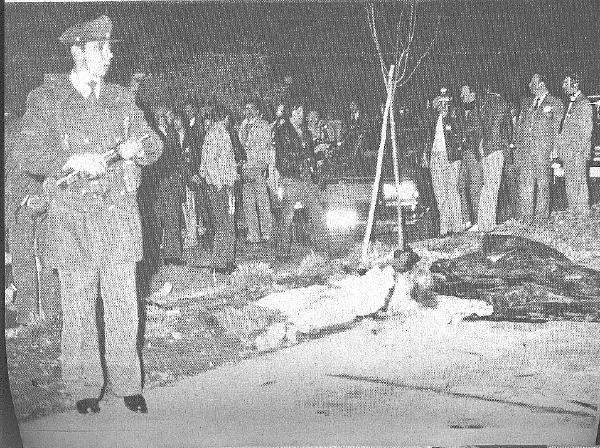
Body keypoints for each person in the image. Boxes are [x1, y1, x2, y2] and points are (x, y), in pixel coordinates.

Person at [14, 15, 163, 414]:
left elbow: (153, 142)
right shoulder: (47, 98)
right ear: (78, 51)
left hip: (117, 219)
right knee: (78, 307)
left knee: (123, 304)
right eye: (101, 48)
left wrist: (139, 147)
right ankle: (84, 387)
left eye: (110, 47)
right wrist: (71, 159)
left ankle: (127, 383)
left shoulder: (121, 97)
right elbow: (26, 154)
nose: (110, 55)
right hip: (72, 220)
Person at [5, 114, 61, 325]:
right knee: (39, 257)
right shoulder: (47, 120)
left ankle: (39, 315)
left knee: (36, 258)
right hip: (32, 198)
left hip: (34, 198)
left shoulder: (16, 126)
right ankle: (44, 314)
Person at [273, 99, 330, 259]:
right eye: (300, 112)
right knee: (287, 217)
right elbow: (281, 160)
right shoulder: (283, 131)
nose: (303, 115)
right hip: (292, 178)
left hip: (306, 177)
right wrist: (302, 158)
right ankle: (282, 252)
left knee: (317, 213)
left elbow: (310, 153)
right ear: (293, 113)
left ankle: (323, 250)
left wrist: (314, 166)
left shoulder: (305, 132)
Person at [515, 73, 563, 224]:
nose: (530, 85)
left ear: (542, 84)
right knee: (526, 183)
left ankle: (541, 217)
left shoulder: (555, 103)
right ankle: (526, 217)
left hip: (543, 151)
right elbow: (521, 127)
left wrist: (555, 150)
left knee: (543, 184)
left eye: (533, 82)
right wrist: (518, 147)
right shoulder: (527, 103)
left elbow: (558, 129)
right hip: (527, 151)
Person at [200, 106, 238, 274]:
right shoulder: (217, 134)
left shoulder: (217, 133)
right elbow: (209, 163)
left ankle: (227, 260)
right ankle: (221, 262)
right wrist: (219, 184)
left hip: (224, 185)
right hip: (220, 187)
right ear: (225, 118)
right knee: (224, 223)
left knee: (228, 223)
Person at [422, 89, 464, 237]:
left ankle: (457, 226)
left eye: (446, 101)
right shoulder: (432, 117)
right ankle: (444, 228)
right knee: (440, 192)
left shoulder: (455, 114)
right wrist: (425, 154)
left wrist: (450, 118)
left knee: (452, 190)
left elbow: (461, 132)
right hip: (435, 156)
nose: (443, 105)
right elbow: (425, 134)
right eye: (440, 101)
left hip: (451, 156)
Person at [469, 85, 508, 232]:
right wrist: (502, 144)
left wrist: (482, 145)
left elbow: (478, 128)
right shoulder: (498, 102)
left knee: (487, 186)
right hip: (495, 148)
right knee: (492, 187)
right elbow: (499, 126)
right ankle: (487, 224)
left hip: (485, 148)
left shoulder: (482, 103)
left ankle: (484, 222)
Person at [239, 99, 274, 243]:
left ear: (257, 111)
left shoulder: (264, 125)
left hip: (258, 166)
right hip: (246, 168)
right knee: (248, 203)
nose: (248, 111)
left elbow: (266, 146)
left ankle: (267, 232)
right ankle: (253, 234)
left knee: (262, 202)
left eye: (251, 108)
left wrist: (265, 165)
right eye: (246, 109)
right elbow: (241, 145)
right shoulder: (243, 126)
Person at [558, 73, 593, 213]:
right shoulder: (571, 102)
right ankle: (573, 210)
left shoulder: (583, 103)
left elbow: (587, 130)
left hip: (577, 151)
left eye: (566, 83)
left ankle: (582, 211)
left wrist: (578, 150)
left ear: (575, 84)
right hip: (569, 150)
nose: (563, 86)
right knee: (570, 180)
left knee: (579, 180)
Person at [183, 100, 213, 243]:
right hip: (195, 170)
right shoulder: (188, 126)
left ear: (195, 110)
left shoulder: (200, 125)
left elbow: (199, 151)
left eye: (190, 110)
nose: (188, 113)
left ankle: (210, 233)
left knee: (206, 203)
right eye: (186, 111)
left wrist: (198, 172)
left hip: (203, 170)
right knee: (201, 204)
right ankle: (206, 232)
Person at [457, 84, 483, 229]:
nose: (461, 96)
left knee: (475, 188)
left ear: (472, 94)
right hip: (464, 153)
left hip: (474, 153)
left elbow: (479, 130)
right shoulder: (461, 111)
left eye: (464, 93)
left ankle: (478, 222)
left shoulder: (479, 109)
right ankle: (466, 220)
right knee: (461, 186)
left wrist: (467, 135)